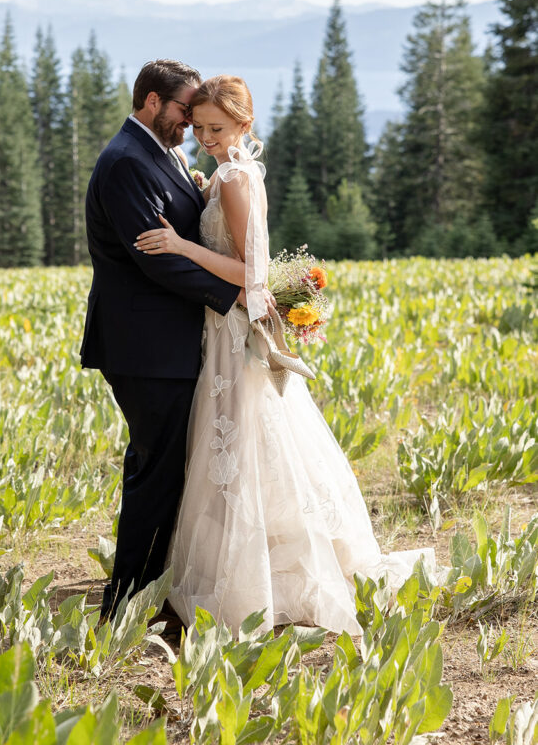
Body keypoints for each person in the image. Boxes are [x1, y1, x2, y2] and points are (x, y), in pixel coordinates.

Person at [135, 75, 435, 634]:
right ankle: (262, 563)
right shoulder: (235, 171)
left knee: (243, 441)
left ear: (245, 124)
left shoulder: (235, 177)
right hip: (221, 328)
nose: (204, 136)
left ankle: (254, 577)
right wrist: (206, 192)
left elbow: (251, 277)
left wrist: (181, 246)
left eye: (217, 128)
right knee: (246, 443)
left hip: (231, 325)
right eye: (198, 127)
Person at [80, 60, 244, 620]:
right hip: (144, 347)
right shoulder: (126, 162)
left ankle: (156, 590)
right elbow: (156, 262)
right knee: (154, 471)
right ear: (153, 102)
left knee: (169, 467)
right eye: (184, 112)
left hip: (165, 342)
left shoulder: (162, 152)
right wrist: (235, 296)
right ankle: (126, 605)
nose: (193, 124)